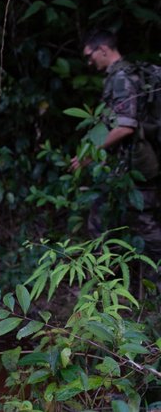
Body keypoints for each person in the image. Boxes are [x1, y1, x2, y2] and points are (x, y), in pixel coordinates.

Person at [70, 29, 161, 292]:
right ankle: (113, 284)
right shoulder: (129, 73)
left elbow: (125, 126)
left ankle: (105, 287)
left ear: (104, 50)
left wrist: (88, 155)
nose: (89, 62)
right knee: (118, 218)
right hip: (137, 162)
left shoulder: (121, 77)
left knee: (133, 222)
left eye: (90, 56)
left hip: (138, 165)